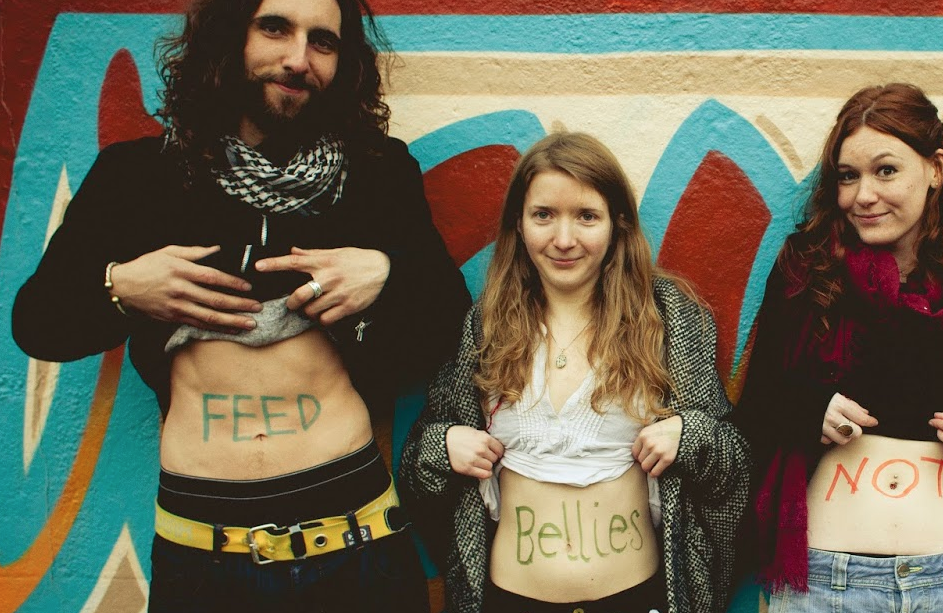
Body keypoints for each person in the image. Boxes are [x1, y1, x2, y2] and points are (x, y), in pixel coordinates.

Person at [10, 0, 471, 610]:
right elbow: (37, 323)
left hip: (358, 545)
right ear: (231, 37)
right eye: (275, 28)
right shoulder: (138, 177)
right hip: (203, 558)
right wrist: (121, 286)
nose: (298, 58)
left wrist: (386, 274)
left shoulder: (376, 174)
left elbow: (449, 326)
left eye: (324, 42)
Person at [398, 132, 750, 613]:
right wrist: (443, 447)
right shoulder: (485, 325)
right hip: (507, 600)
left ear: (617, 223)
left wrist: (691, 435)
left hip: (637, 597)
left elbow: (735, 468)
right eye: (543, 215)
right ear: (519, 225)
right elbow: (418, 473)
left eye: (586, 216)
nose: (564, 240)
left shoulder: (671, 319)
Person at [736, 83, 943, 613]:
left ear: (936, 169)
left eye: (886, 171)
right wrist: (810, 411)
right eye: (848, 176)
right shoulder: (806, 272)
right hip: (826, 582)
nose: (863, 195)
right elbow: (754, 412)